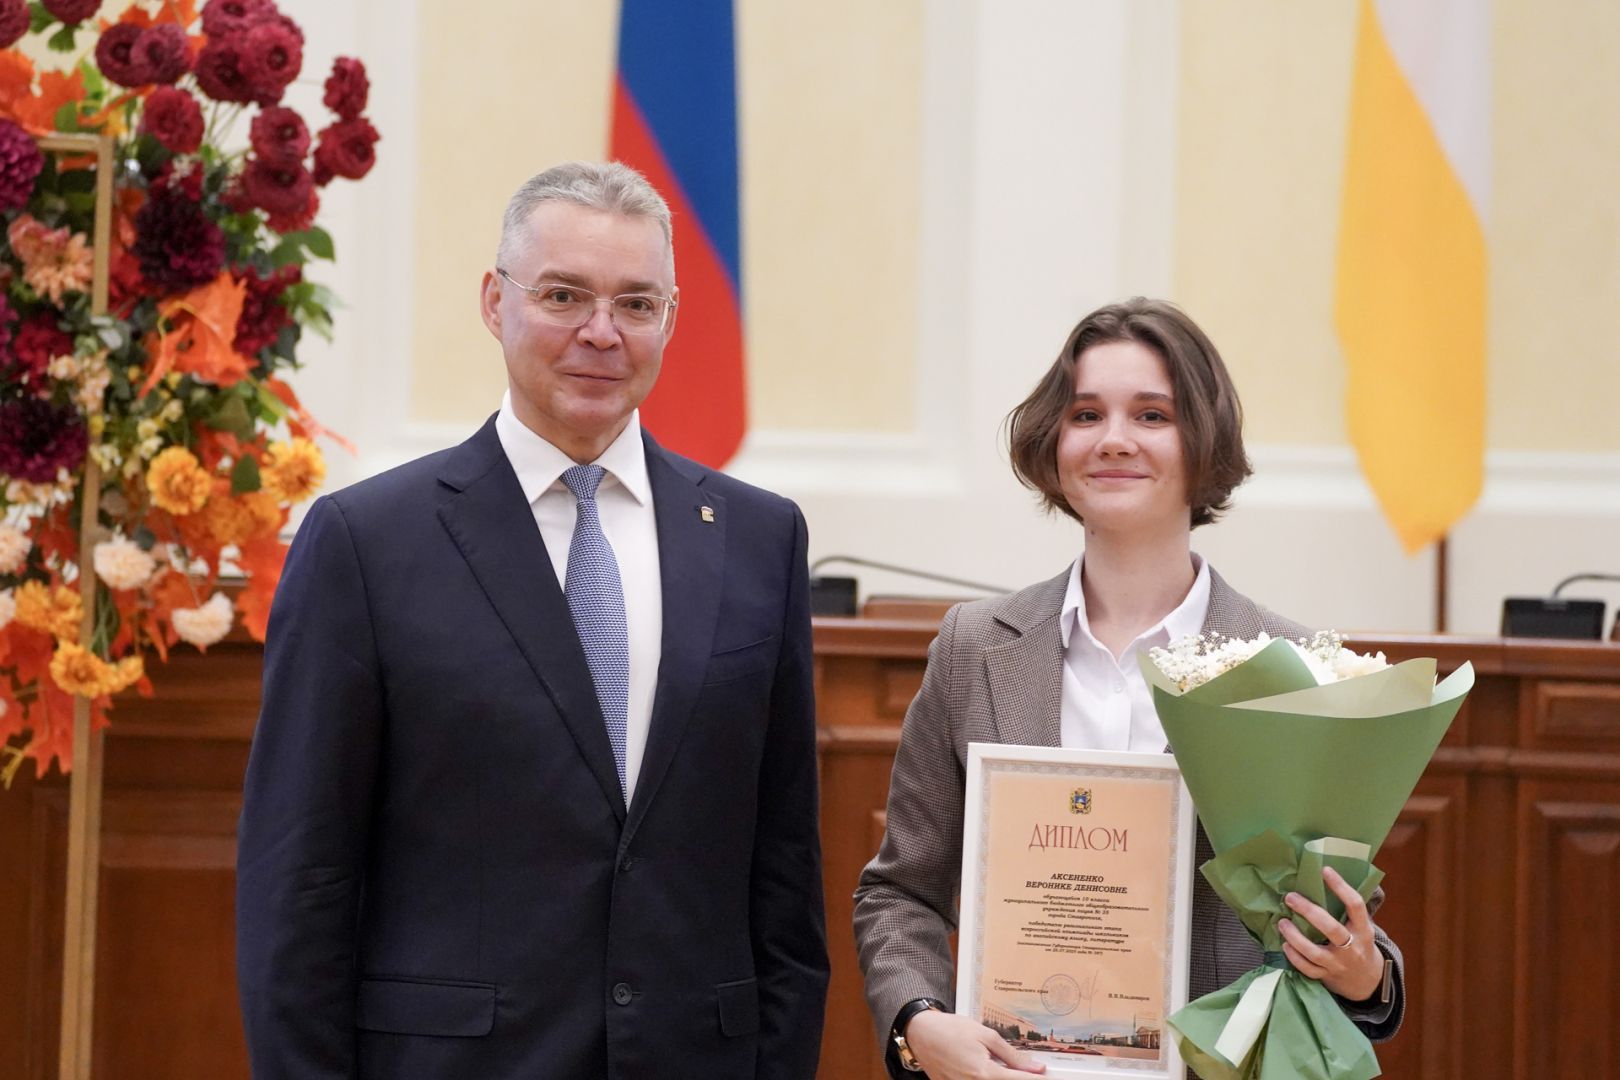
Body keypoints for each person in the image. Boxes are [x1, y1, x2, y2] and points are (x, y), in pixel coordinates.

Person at [236, 161, 829, 1080]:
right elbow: (300, 880)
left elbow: (784, 874)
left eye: (637, 304)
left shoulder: (760, 539)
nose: (601, 332)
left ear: (670, 320)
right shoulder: (367, 542)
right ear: (493, 301)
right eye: (563, 295)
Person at [852, 298, 1403, 1079]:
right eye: (1086, 414)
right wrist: (919, 1023)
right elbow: (900, 895)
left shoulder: (1296, 671)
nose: (1113, 440)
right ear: (1054, 441)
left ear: (1202, 442)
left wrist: (1361, 971)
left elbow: (1348, 930)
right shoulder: (973, 650)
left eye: (1151, 414)